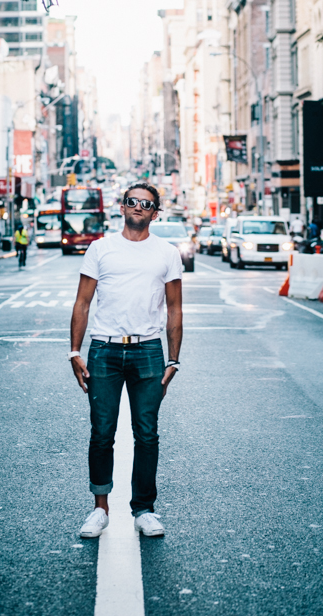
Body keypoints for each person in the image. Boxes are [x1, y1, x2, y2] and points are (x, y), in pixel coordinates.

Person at [70, 183, 183, 540]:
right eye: (133, 201)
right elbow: (83, 302)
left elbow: (175, 308)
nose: (139, 207)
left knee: (146, 435)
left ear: (155, 213)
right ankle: (99, 508)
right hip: (103, 350)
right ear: (122, 207)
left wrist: (174, 360)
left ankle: (144, 509)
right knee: (102, 433)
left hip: (148, 351)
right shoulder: (101, 248)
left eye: (146, 204)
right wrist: (74, 351)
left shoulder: (167, 252)